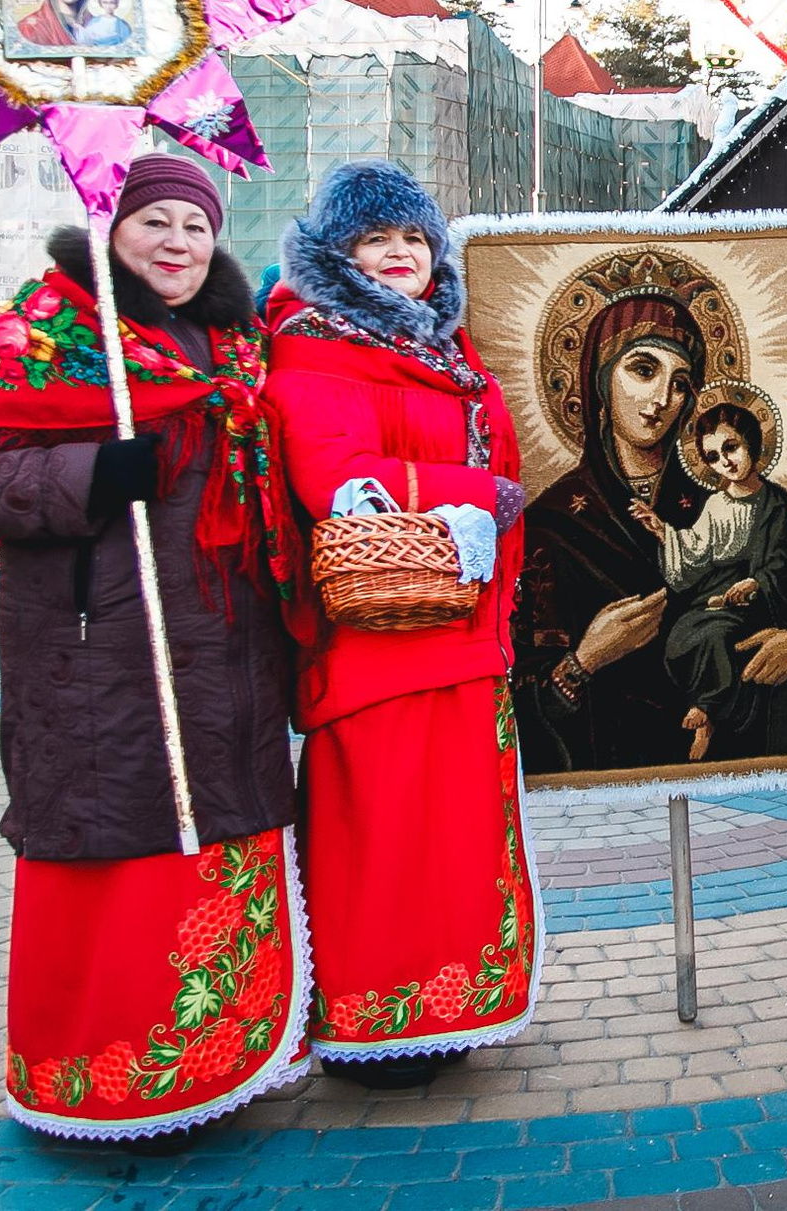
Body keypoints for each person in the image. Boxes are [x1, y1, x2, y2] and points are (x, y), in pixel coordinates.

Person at [0, 156, 309, 1140]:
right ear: (111, 227)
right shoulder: (45, 329)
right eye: (155, 222)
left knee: (219, 830)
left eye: (196, 225)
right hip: (98, 652)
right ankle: (104, 1080)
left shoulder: (232, 340)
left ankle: (223, 1057)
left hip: (228, 645)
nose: (177, 242)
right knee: (113, 838)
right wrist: (90, 472)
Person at [266, 160, 539, 1091]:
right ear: (338, 254)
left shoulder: (447, 352)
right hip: (379, 640)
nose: (399, 255)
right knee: (379, 836)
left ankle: (446, 1009)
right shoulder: (312, 345)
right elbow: (329, 470)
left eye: (414, 238)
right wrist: (478, 497)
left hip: (461, 631)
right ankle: (373, 1018)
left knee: (453, 837)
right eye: (376, 239)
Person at [634, 397, 787, 763]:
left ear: (750, 440)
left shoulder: (777, 503)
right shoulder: (715, 504)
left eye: (731, 447)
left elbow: (783, 562)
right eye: (714, 457)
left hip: (760, 603)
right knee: (684, 636)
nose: (726, 462)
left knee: (718, 636)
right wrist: (663, 532)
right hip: (716, 596)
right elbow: (695, 552)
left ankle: (708, 711)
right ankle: (706, 709)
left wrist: (756, 584)